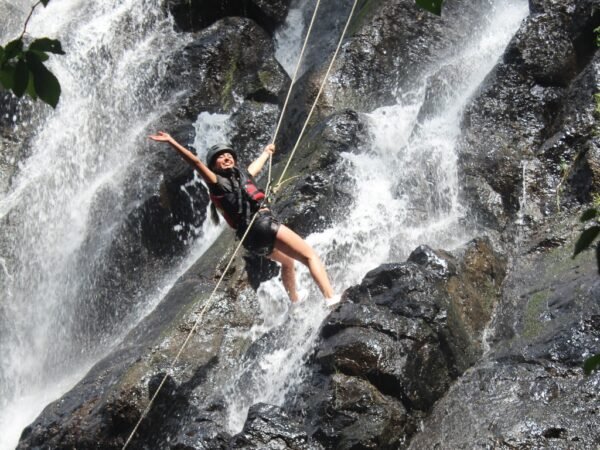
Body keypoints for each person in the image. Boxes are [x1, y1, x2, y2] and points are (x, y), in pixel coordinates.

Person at [149, 131, 338, 305]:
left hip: (251, 240)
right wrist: (172, 141)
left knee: (288, 261)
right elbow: (196, 163)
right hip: (262, 224)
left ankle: (295, 299)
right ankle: (330, 298)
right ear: (214, 166)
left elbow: (256, 166)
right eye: (220, 157)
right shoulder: (216, 181)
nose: (226, 157)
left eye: (228, 155)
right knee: (310, 256)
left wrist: (266, 153)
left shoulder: (243, 176)